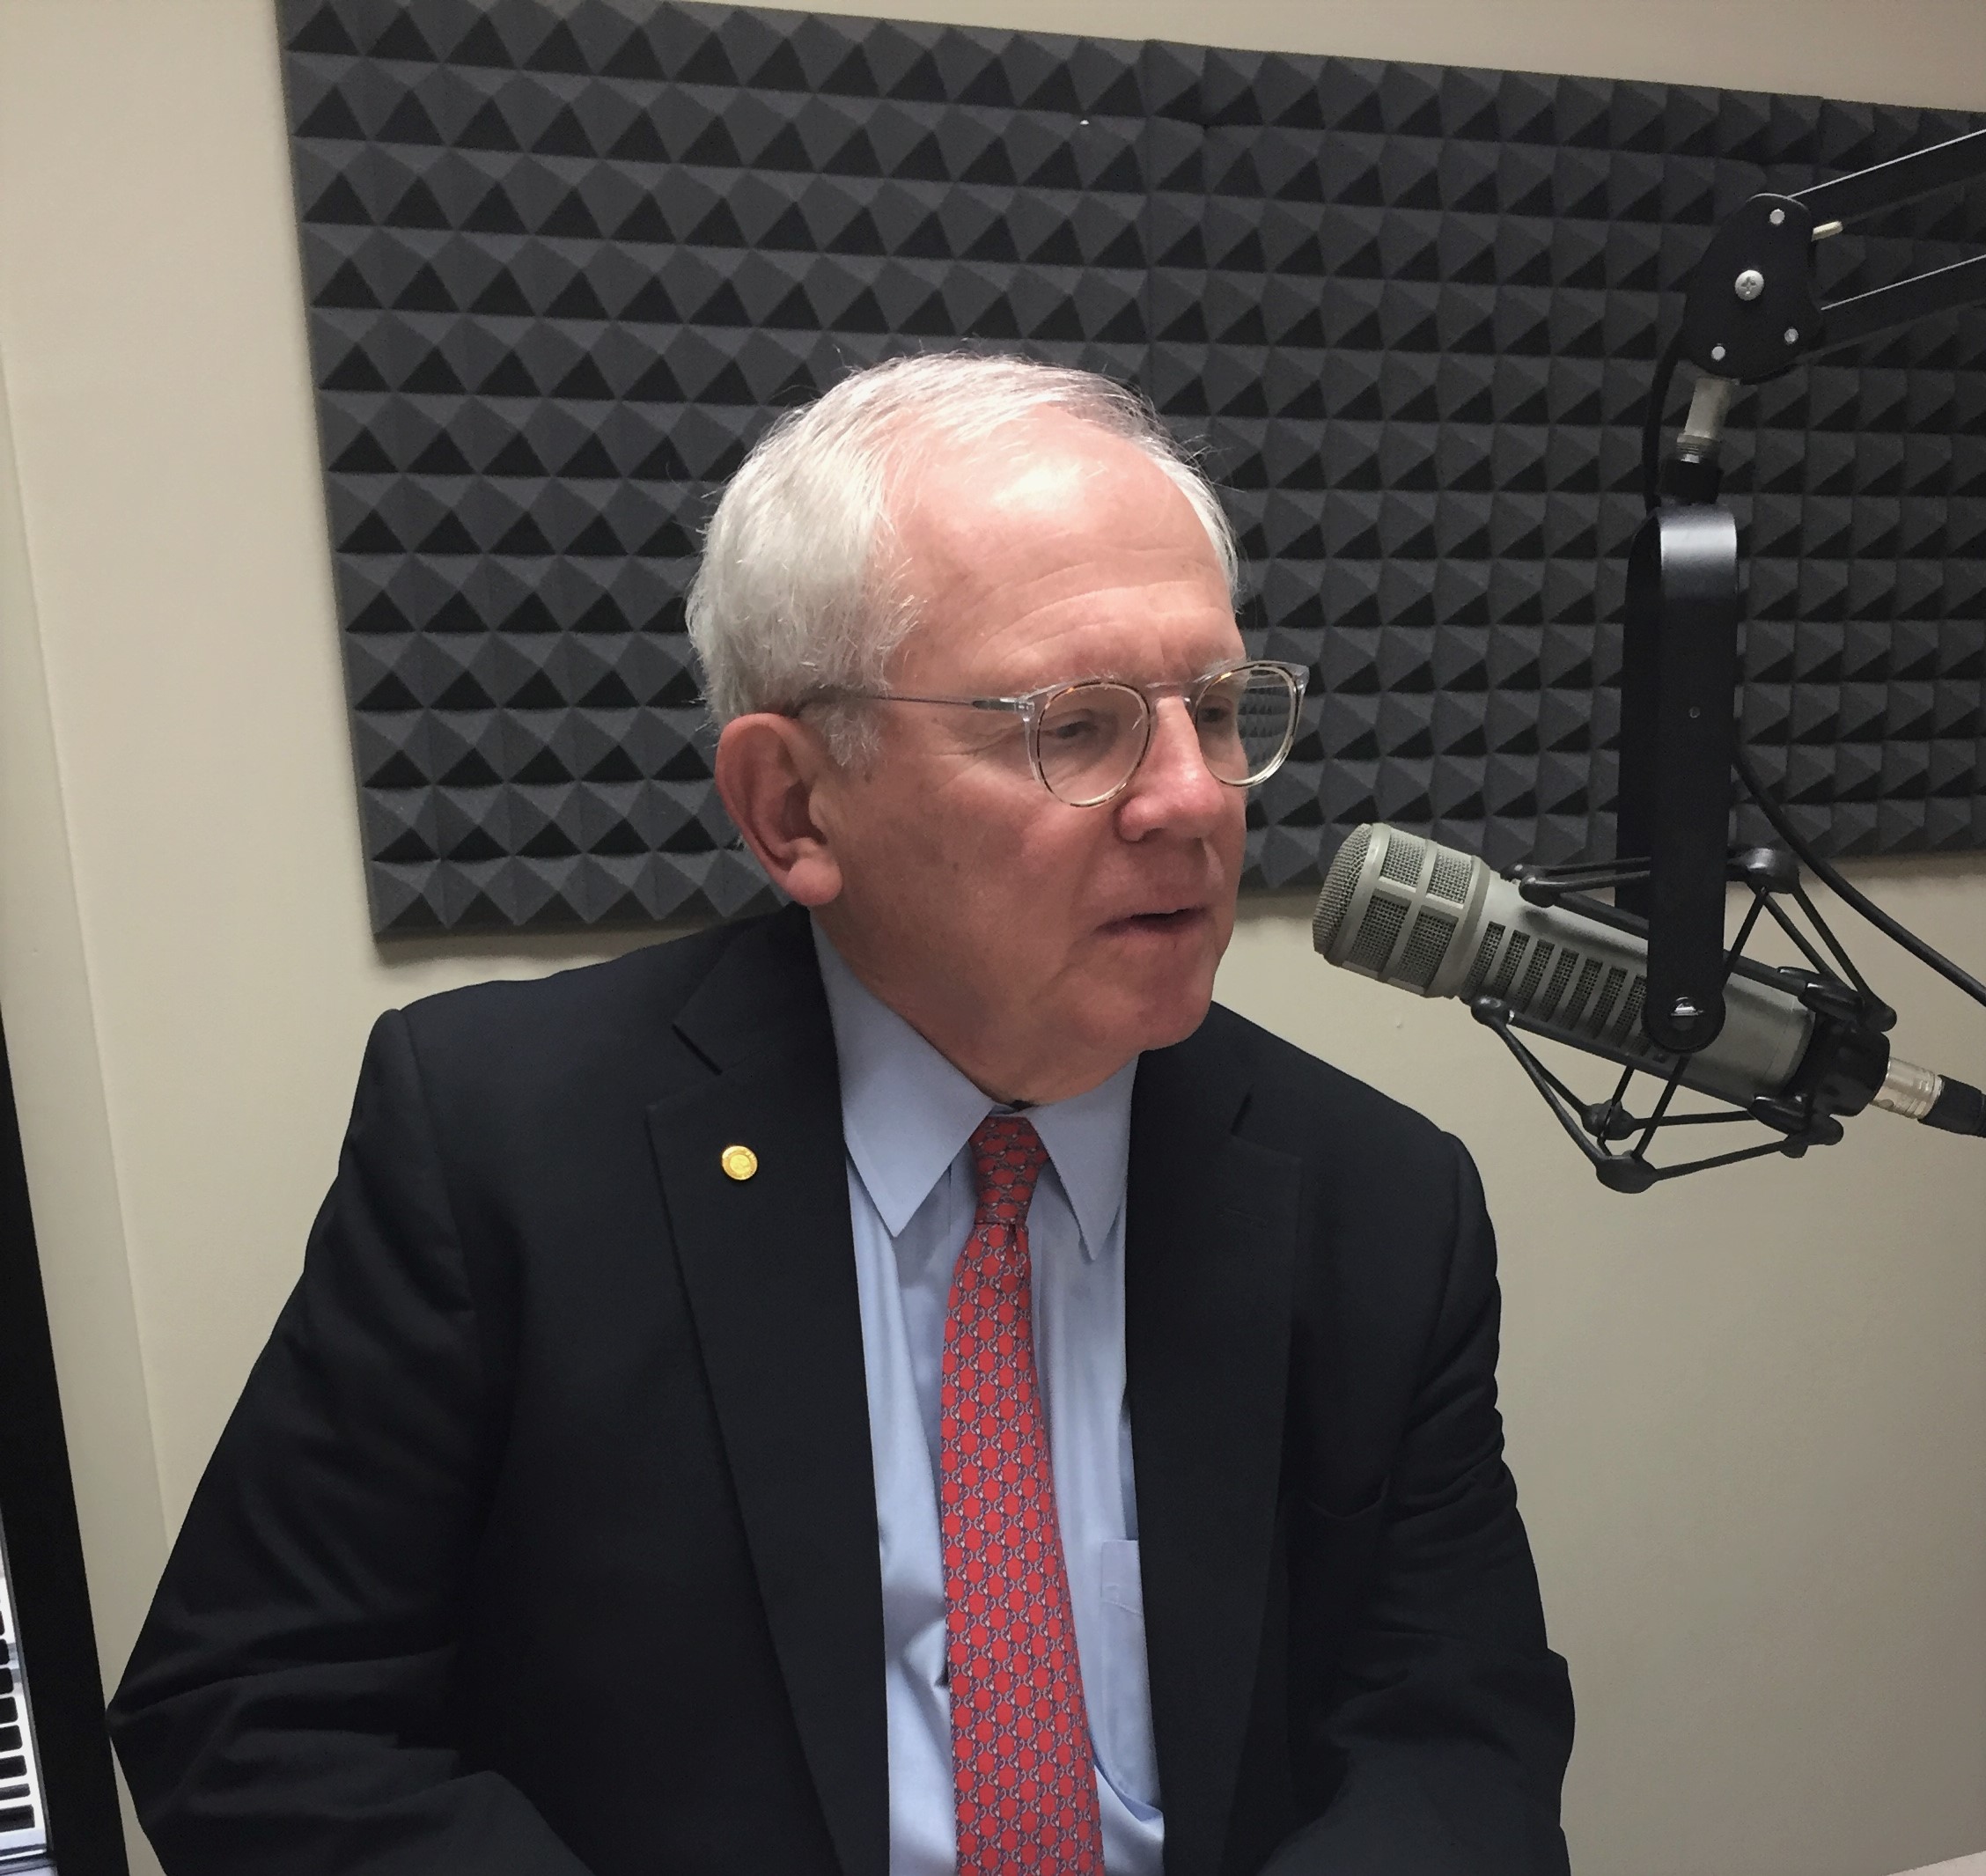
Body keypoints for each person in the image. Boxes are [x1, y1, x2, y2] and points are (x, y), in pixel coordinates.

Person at [110, 352, 1573, 1875]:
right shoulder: (506, 1148)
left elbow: (1456, 1733)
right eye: (1077, 726)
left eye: (1214, 708)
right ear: (794, 809)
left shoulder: (1376, 1201)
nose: (1195, 798)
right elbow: (257, 1715)